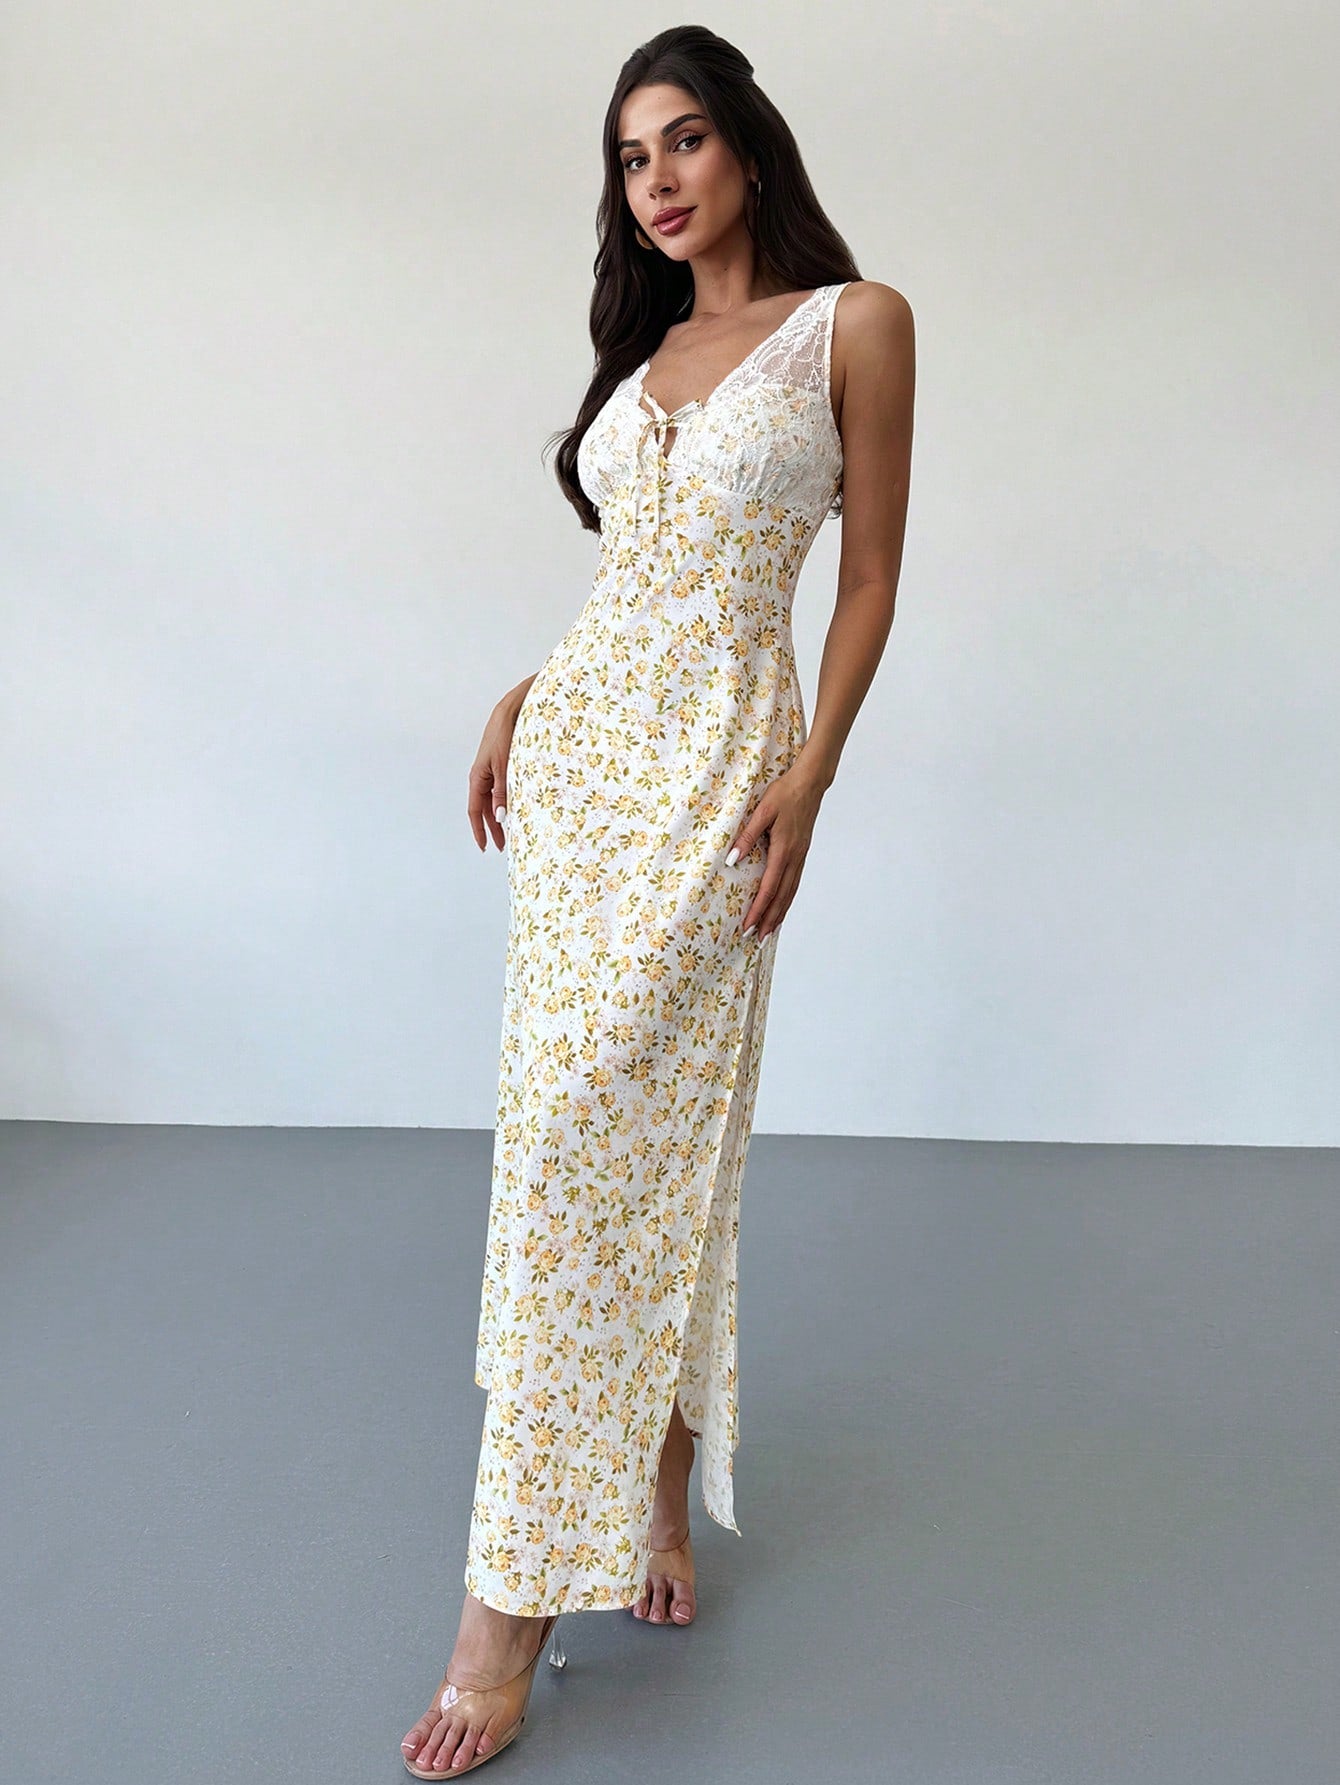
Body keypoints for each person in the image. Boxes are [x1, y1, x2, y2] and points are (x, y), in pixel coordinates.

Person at [402, 23, 914, 1777]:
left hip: (719, 775)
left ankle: (502, 1618)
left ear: (749, 148)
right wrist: (526, 695)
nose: (660, 179)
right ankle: (650, 1496)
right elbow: (636, 578)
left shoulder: (854, 324)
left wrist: (815, 772)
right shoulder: (647, 354)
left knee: (610, 1132)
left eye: (685, 140)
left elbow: (869, 575)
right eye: (633, 159)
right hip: (584, 766)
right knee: (588, 1138)